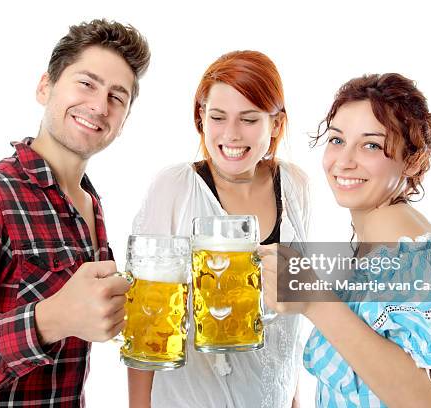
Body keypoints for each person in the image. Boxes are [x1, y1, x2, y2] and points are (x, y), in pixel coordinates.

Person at [0, 19, 150, 406]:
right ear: (46, 87)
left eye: (117, 97)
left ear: (123, 122)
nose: (98, 105)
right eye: (86, 83)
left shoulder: (90, 207)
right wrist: (49, 320)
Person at [260, 73, 431, 407]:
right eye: (336, 140)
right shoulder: (374, 249)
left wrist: (314, 301)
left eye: (371, 145)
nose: (344, 161)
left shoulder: (418, 260)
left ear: (412, 160)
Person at [129, 50, 309, 408]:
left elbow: (291, 325)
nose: (231, 134)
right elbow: (144, 323)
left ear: (275, 124)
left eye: (249, 119)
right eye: (218, 117)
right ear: (201, 117)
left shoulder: (295, 185)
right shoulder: (174, 186)